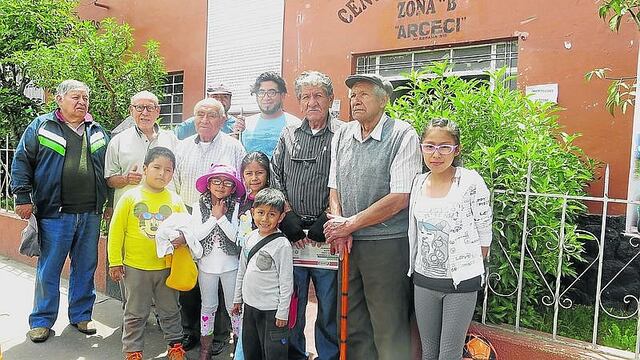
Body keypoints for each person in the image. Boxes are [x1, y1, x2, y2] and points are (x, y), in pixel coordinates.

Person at [323, 74, 422, 360]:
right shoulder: (343, 134)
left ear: (383, 100)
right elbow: (335, 185)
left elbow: (400, 198)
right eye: (353, 94)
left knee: (387, 324)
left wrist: (349, 224)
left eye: (364, 94)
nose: (356, 99)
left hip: (386, 244)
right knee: (354, 323)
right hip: (350, 242)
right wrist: (341, 226)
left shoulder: (402, 134)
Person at [11, 80, 110, 343]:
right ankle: (42, 321)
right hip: (55, 213)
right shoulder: (41, 126)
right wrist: (22, 196)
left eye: (86, 98)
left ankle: (81, 315)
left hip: (90, 213)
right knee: (50, 268)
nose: (82, 102)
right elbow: (22, 160)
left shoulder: (97, 131)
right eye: (76, 97)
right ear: (59, 99)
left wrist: (109, 203)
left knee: (86, 266)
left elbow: (109, 170)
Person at [271, 70, 342, 360]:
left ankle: (328, 355)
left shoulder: (343, 133)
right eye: (305, 97)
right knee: (293, 300)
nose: (312, 102)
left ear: (330, 99)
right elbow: (275, 173)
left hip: (326, 236)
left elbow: (344, 178)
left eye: (318, 96)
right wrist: (287, 216)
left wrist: (326, 217)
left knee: (328, 304)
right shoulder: (288, 134)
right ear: (299, 102)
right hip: (294, 237)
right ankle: (296, 355)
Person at [408, 118, 492, 360]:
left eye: (445, 146)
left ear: (457, 149)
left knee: (449, 354)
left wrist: (471, 270)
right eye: (429, 146)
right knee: (429, 352)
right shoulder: (417, 183)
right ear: (422, 148)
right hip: (424, 281)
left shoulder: (470, 182)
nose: (437, 154)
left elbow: (484, 231)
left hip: (460, 285)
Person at [173, 97, 246, 353]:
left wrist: (226, 214)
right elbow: (174, 183)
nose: (204, 120)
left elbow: (241, 183)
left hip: (225, 213)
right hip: (190, 217)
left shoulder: (234, 147)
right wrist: (182, 224)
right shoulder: (181, 147)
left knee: (224, 284)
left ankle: (220, 336)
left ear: (223, 120)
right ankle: (190, 331)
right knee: (191, 282)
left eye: (211, 115)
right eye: (200, 115)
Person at [107, 147, 187, 360]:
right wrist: (115, 262)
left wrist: (183, 238)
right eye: (157, 167)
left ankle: (175, 346)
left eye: (168, 170)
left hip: (167, 269)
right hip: (135, 268)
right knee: (135, 313)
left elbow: (188, 228)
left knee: (170, 310)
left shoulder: (175, 201)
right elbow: (116, 232)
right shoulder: (129, 198)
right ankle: (133, 351)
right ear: (145, 168)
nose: (162, 173)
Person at [190, 164, 245, 360]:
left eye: (227, 182)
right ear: (209, 184)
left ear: (232, 187)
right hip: (206, 266)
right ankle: (205, 349)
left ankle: (239, 346)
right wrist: (214, 217)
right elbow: (196, 235)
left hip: (231, 266)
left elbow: (236, 237)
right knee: (208, 306)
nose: (221, 186)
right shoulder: (198, 207)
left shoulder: (237, 207)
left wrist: (221, 218)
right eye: (216, 181)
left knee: (234, 307)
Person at [232, 188, 293, 360]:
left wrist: (282, 312)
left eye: (272, 214)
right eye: (260, 212)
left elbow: (286, 281)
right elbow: (241, 271)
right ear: (252, 212)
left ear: (280, 217)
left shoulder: (282, 245)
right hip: (250, 308)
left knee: (273, 353)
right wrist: (238, 299)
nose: (265, 219)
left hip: (271, 311)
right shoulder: (249, 238)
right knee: (252, 350)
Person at [105, 91, 178, 206]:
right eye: (139, 107)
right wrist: (126, 179)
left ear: (157, 111)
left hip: (164, 210)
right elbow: (109, 180)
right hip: (130, 210)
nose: (145, 113)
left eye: (150, 108)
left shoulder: (171, 140)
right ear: (131, 110)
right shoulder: (118, 141)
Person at [233, 151, 271, 360]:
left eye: (259, 173)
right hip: (244, 265)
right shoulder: (241, 200)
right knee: (248, 315)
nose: (254, 178)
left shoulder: (273, 201)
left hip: (266, 271)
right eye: (249, 173)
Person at [242, 72, 301, 158]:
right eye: (261, 92)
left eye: (272, 92)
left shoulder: (295, 124)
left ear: (282, 95)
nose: (266, 97)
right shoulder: (246, 124)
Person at [174, 83, 245, 140]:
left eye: (225, 97)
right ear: (207, 98)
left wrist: (241, 135)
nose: (220, 101)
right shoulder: (192, 124)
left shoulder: (237, 125)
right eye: (215, 97)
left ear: (230, 100)